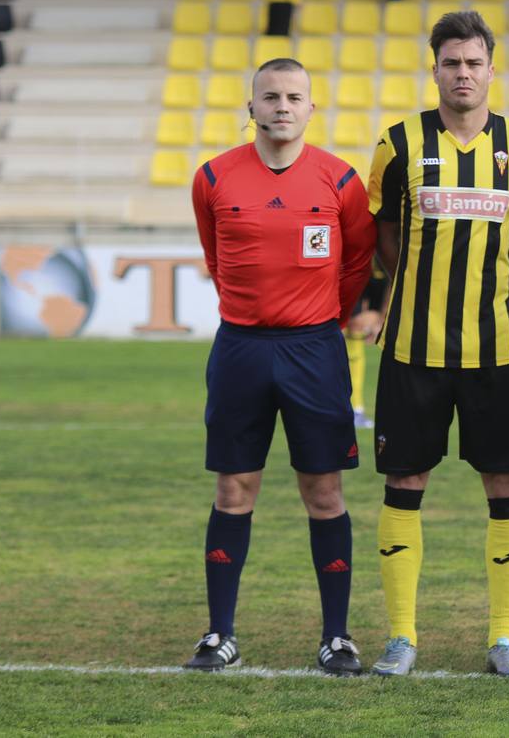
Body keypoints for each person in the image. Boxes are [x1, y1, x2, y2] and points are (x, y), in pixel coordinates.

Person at [366, 11, 509, 679]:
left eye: (474, 62)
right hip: (412, 349)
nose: (463, 74)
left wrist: (506, 299)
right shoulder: (397, 144)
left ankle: (504, 638)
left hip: (496, 351)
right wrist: (410, 286)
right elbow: (383, 237)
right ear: (436, 68)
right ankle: (400, 637)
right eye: (451, 62)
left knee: (504, 484)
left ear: (491, 68)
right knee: (404, 481)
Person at [185, 57, 376, 676]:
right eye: (270, 96)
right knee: (234, 488)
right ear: (252, 107)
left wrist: (322, 317)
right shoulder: (212, 177)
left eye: (295, 96)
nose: (282, 106)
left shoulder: (340, 180)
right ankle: (219, 634)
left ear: (311, 108)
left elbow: (355, 266)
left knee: (324, 491)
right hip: (240, 348)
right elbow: (216, 256)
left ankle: (337, 637)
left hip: (314, 350)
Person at [345, 261, 388, 429]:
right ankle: (354, 408)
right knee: (355, 325)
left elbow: (397, 276)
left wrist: (382, 316)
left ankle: (355, 409)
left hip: (383, 281)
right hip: (356, 274)